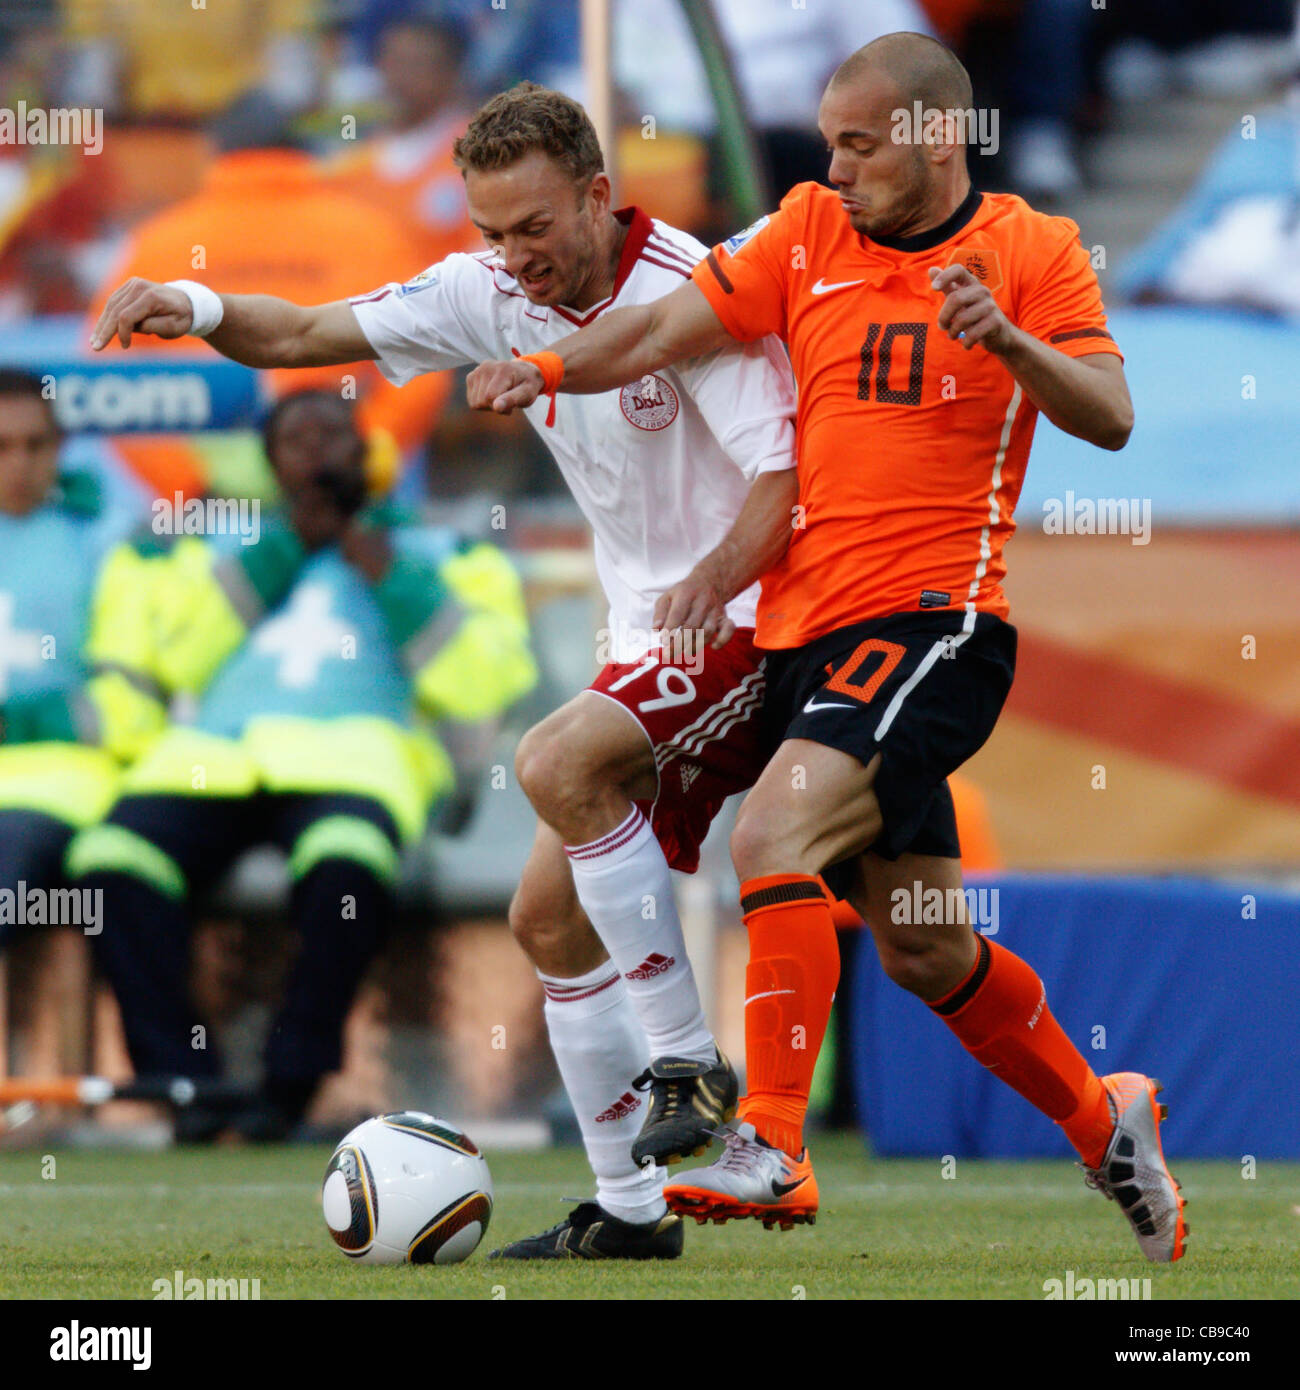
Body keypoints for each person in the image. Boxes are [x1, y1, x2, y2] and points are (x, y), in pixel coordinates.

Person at [464, 34, 1187, 1263]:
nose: (836, 166)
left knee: (771, 836)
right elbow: (651, 334)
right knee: (921, 940)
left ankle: (772, 1142)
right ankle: (1100, 1112)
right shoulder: (802, 230)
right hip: (794, 636)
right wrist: (536, 365)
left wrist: (1007, 342)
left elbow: (1110, 414)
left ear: (934, 136)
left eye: (859, 144)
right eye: (832, 142)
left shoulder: (1031, 250)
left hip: (931, 624)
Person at [89, 82, 800, 1259]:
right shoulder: (488, 292)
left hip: (748, 613)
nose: (513, 259)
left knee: (556, 760)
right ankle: (633, 1216)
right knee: (547, 921)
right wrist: (195, 303)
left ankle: (688, 1064)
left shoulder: (693, 293)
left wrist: (706, 584)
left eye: (536, 229)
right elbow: (309, 335)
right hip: (647, 635)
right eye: (490, 233)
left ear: (597, 196)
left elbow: (784, 481)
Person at [65, 390, 536, 1140]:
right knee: (113, 854)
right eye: (297, 440)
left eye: (334, 437)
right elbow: (177, 659)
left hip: (357, 760)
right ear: (270, 464)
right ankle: (188, 1087)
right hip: (216, 760)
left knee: (344, 864)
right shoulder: (215, 548)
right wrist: (283, 549)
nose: (317, 453)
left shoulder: (442, 551)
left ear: (367, 453)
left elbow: (486, 682)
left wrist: (382, 565)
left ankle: (287, 1089)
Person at [0, 368, 162, 950]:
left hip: (58, 783)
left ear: (61, 448)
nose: (18, 464)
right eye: (1, 447)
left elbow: (135, 707)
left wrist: (23, 722)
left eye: (34, 445)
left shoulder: (107, 544)